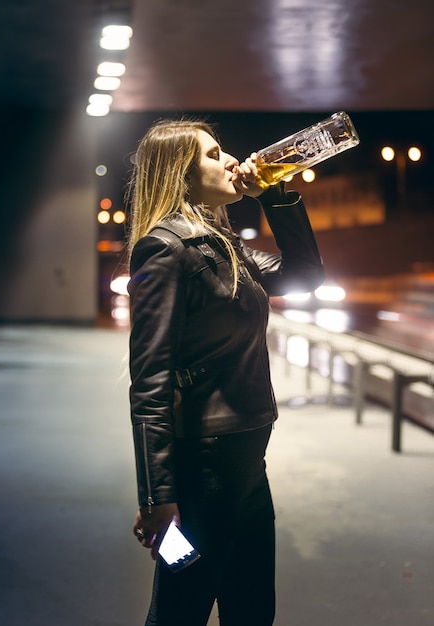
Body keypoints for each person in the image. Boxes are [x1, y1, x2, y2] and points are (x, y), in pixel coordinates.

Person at [127, 118, 324, 626]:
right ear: (180, 173)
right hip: (204, 466)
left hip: (246, 460)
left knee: (252, 607)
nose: (233, 162)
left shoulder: (221, 244)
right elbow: (149, 383)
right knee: (179, 609)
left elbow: (305, 276)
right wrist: (157, 496)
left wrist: (275, 191)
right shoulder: (166, 249)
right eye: (214, 155)